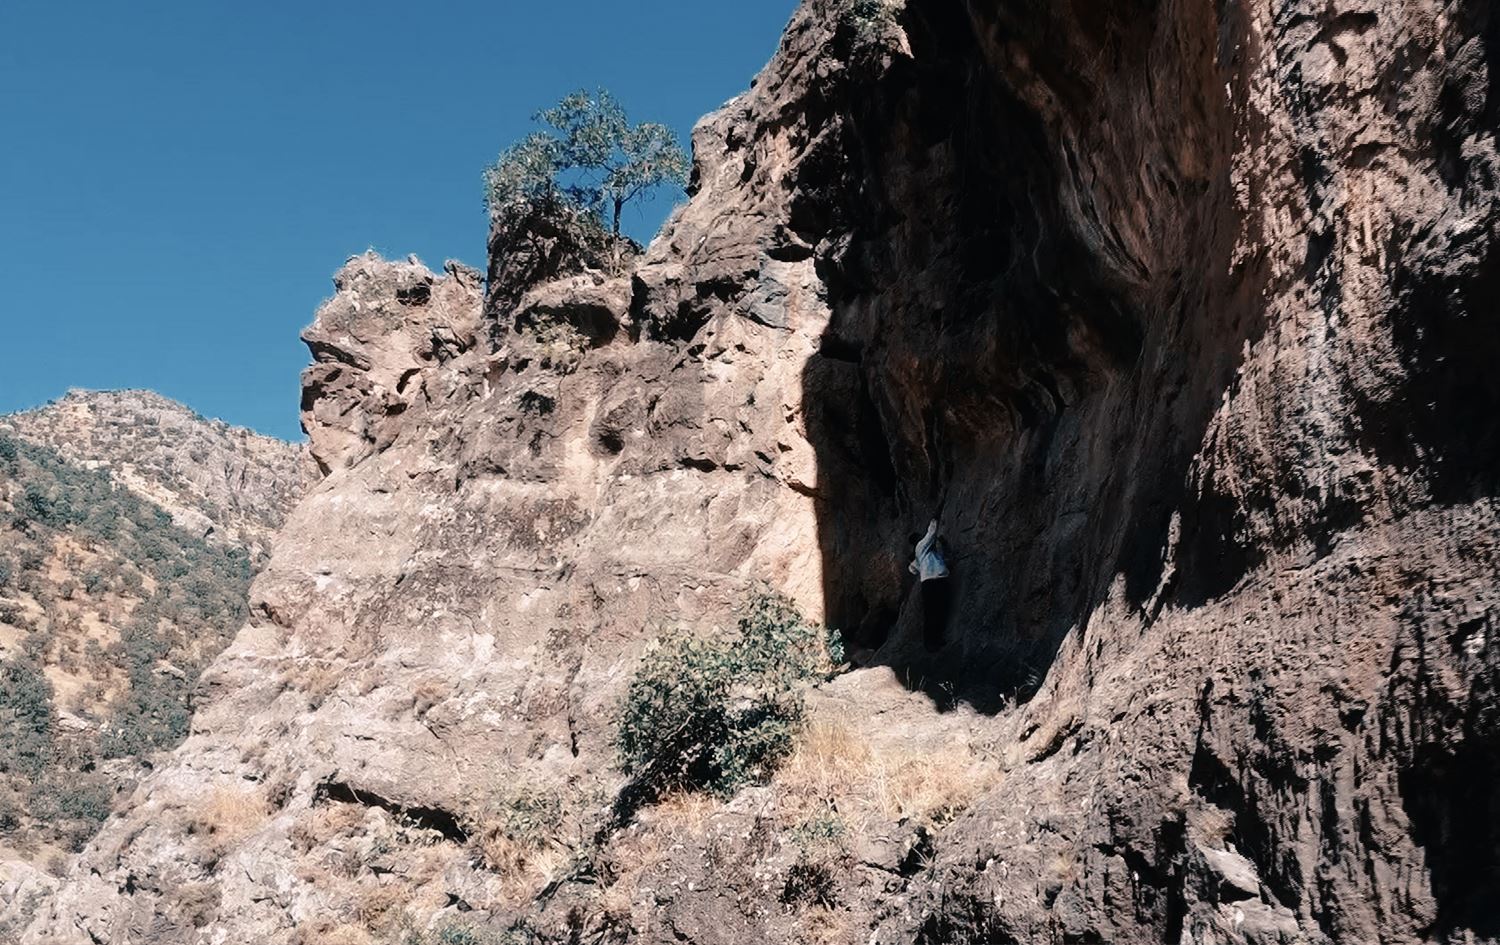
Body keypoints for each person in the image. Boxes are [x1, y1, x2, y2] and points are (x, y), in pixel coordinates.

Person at [908, 519, 950, 650]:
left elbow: (912, 569)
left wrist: (919, 565)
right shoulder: (921, 546)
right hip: (933, 581)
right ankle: (930, 642)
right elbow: (931, 533)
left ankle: (934, 640)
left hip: (932, 581)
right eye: (920, 537)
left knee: (935, 611)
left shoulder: (925, 553)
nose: (922, 537)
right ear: (917, 541)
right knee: (933, 611)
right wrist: (934, 519)